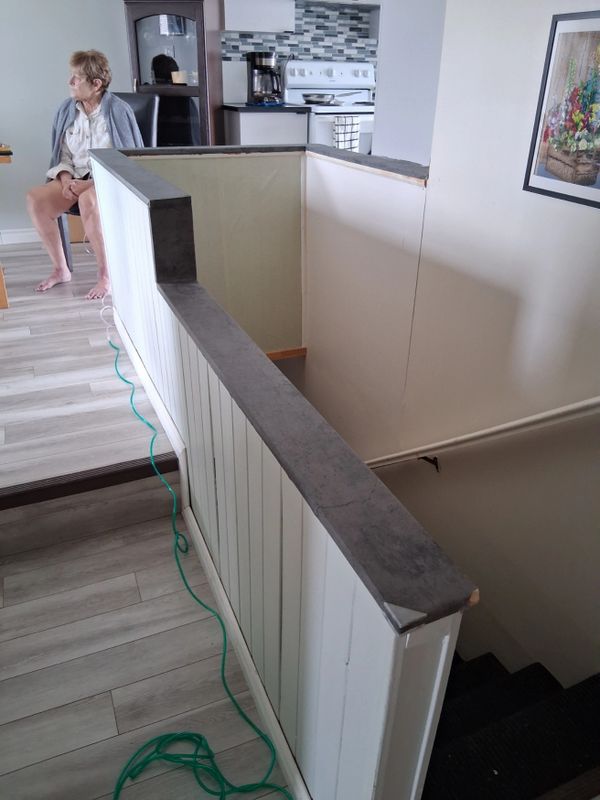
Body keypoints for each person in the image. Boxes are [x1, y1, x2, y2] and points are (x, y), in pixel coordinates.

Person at [27, 50, 144, 299]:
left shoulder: (118, 112)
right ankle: (61, 270)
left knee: (88, 199)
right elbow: (62, 155)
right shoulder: (66, 110)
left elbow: (130, 161)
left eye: (77, 78)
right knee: (35, 199)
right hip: (75, 179)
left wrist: (91, 183)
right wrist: (67, 178)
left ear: (96, 84)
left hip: (111, 181)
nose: (70, 82)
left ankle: (106, 276)